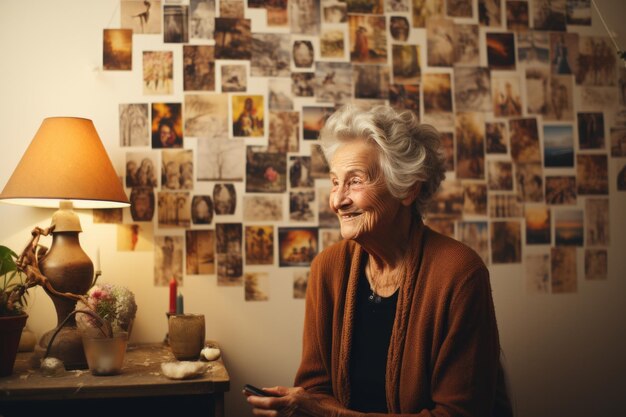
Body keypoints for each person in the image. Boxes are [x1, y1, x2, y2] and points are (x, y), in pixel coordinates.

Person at [244, 105, 512, 415]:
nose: (338, 200)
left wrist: (332, 414)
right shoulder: (327, 269)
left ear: (408, 188)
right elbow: (315, 391)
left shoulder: (460, 274)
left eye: (355, 181)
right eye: (334, 182)